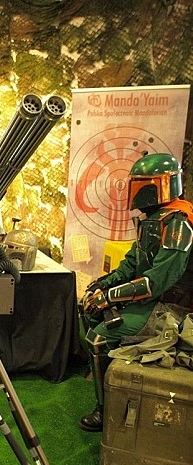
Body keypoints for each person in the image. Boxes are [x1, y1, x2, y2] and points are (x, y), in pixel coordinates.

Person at [79, 152, 193, 432]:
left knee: (98, 336)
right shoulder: (155, 219)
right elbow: (132, 263)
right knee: (90, 310)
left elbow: (156, 282)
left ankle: (105, 409)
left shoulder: (178, 222)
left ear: (161, 185)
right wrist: (102, 285)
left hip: (172, 308)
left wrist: (109, 296)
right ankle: (108, 380)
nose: (136, 193)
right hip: (153, 300)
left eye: (142, 185)